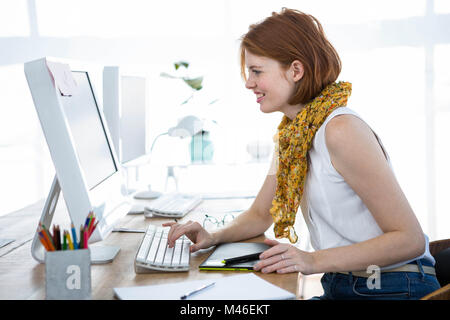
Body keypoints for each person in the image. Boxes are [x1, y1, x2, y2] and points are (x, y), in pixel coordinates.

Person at [163, 8, 440, 300]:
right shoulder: (293, 135)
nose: (248, 83)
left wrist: (312, 260)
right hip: (346, 286)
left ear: (296, 70)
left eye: (257, 71)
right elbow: (260, 215)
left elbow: (408, 239)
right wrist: (212, 236)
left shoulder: (340, 130)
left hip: (393, 287)